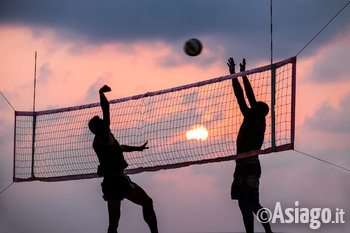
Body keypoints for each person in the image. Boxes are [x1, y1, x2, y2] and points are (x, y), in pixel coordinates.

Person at [88, 85, 159, 233]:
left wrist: (137, 148)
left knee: (114, 224)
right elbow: (106, 110)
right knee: (146, 203)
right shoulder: (103, 136)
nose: (104, 121)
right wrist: (101, 94)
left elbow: (120, 147)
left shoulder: (105, 138)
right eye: (100, 121)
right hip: (117, 182)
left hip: (113, 182)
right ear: (98, 128)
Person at [227, 58, 273, 233]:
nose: (253, 105)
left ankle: (268, 231)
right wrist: (237, 74)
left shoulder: (257, 119)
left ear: (260, 111)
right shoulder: (250, 116)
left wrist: (240, 75)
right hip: (241, 165)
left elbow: (246, 96)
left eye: (256, 106)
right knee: (242, 203)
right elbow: (243, 96)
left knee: (253, 203)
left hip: (250, 166)